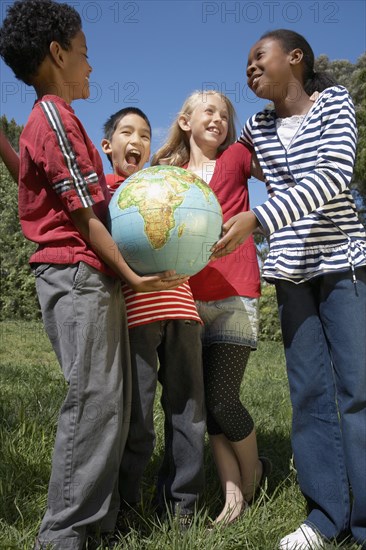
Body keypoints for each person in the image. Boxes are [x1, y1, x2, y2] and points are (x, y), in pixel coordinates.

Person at [0, 2, 186, 548]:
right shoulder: (55, 116)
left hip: (86, 275)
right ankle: (64, 534)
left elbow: (36, 184)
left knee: (109, 401)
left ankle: (97, 527)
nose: (91, 65)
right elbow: (84, 215)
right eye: (84, 53)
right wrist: (135, 274)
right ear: (57, 54)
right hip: (77, 275)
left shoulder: (51, 119)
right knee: (95, 401)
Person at [211, 29, 366, 549]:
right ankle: (325, 518)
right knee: (309, 394)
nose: (250, 68)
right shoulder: (256, 125)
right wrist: (175, 152)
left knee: (358, 391)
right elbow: (223, 160)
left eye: (259, 57)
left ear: (294, 58)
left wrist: (258, 216)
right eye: (247, 63)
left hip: (342, 264)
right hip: (291, 272)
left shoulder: (335, 103)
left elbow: (333, 174)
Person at [152, 90, 271, 526]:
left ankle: (254, 469)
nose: (219, 118)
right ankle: (232, 495)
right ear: (186, 120)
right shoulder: (172, 172)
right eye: (209, 111)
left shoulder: (239, 156)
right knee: (202, 403)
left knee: (223, 397)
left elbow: (280, 173)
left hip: (236, 291)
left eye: (225, 113)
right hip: (185, 295)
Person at [101, 107, 206, 528]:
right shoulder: (107, 194)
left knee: (188, 413)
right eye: (127, 132)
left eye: (145, 135)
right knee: (138, 417)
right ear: (108, 146)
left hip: (183, 312)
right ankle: (126, 507)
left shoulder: (166, 185)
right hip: (136, 319)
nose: (138, 141)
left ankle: (182, 507)